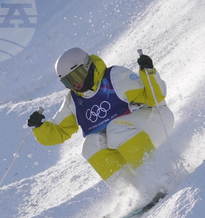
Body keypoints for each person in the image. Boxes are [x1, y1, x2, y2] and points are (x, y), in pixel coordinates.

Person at [25, 47, 174, 193]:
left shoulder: (114, 78)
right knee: (91, 145)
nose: (75, 84)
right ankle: (132, 193)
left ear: (87, 66)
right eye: (69, 81)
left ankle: (159, 175)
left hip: (156, 119)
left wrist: (148, 72)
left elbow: (155, 96)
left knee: (116, 128)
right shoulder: (74, 101)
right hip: (128, 137)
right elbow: (58, 133)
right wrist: (39, 126)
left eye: (77, 76)